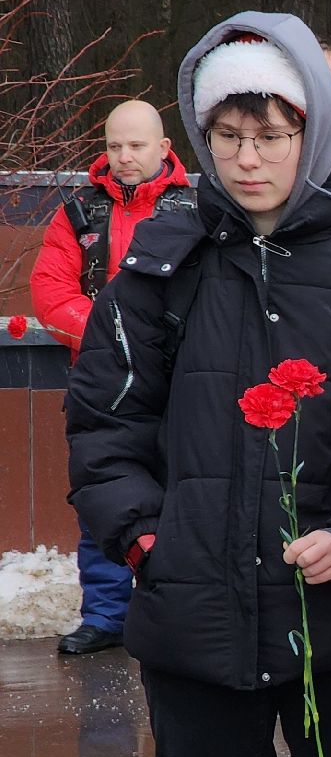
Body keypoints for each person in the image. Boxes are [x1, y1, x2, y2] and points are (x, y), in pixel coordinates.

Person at [65, 12, 331, 757]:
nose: (247, 159)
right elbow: (105, 425)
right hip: (195, 620)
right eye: (227, 136)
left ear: (312, 132)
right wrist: (150, 539)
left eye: (269, 136)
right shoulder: (158, 272)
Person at [31, 99, 197, 655]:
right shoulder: (78, 213)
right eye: (113, 146)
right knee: (103, 498)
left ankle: (176, 615)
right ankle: (106, 616)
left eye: (136, 145)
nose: (123, 156)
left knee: (184, 495)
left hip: (180, 382)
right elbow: (51, 294)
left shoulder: (195, 211)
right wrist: (113, 340)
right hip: (101, 385)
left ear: (164, 147)